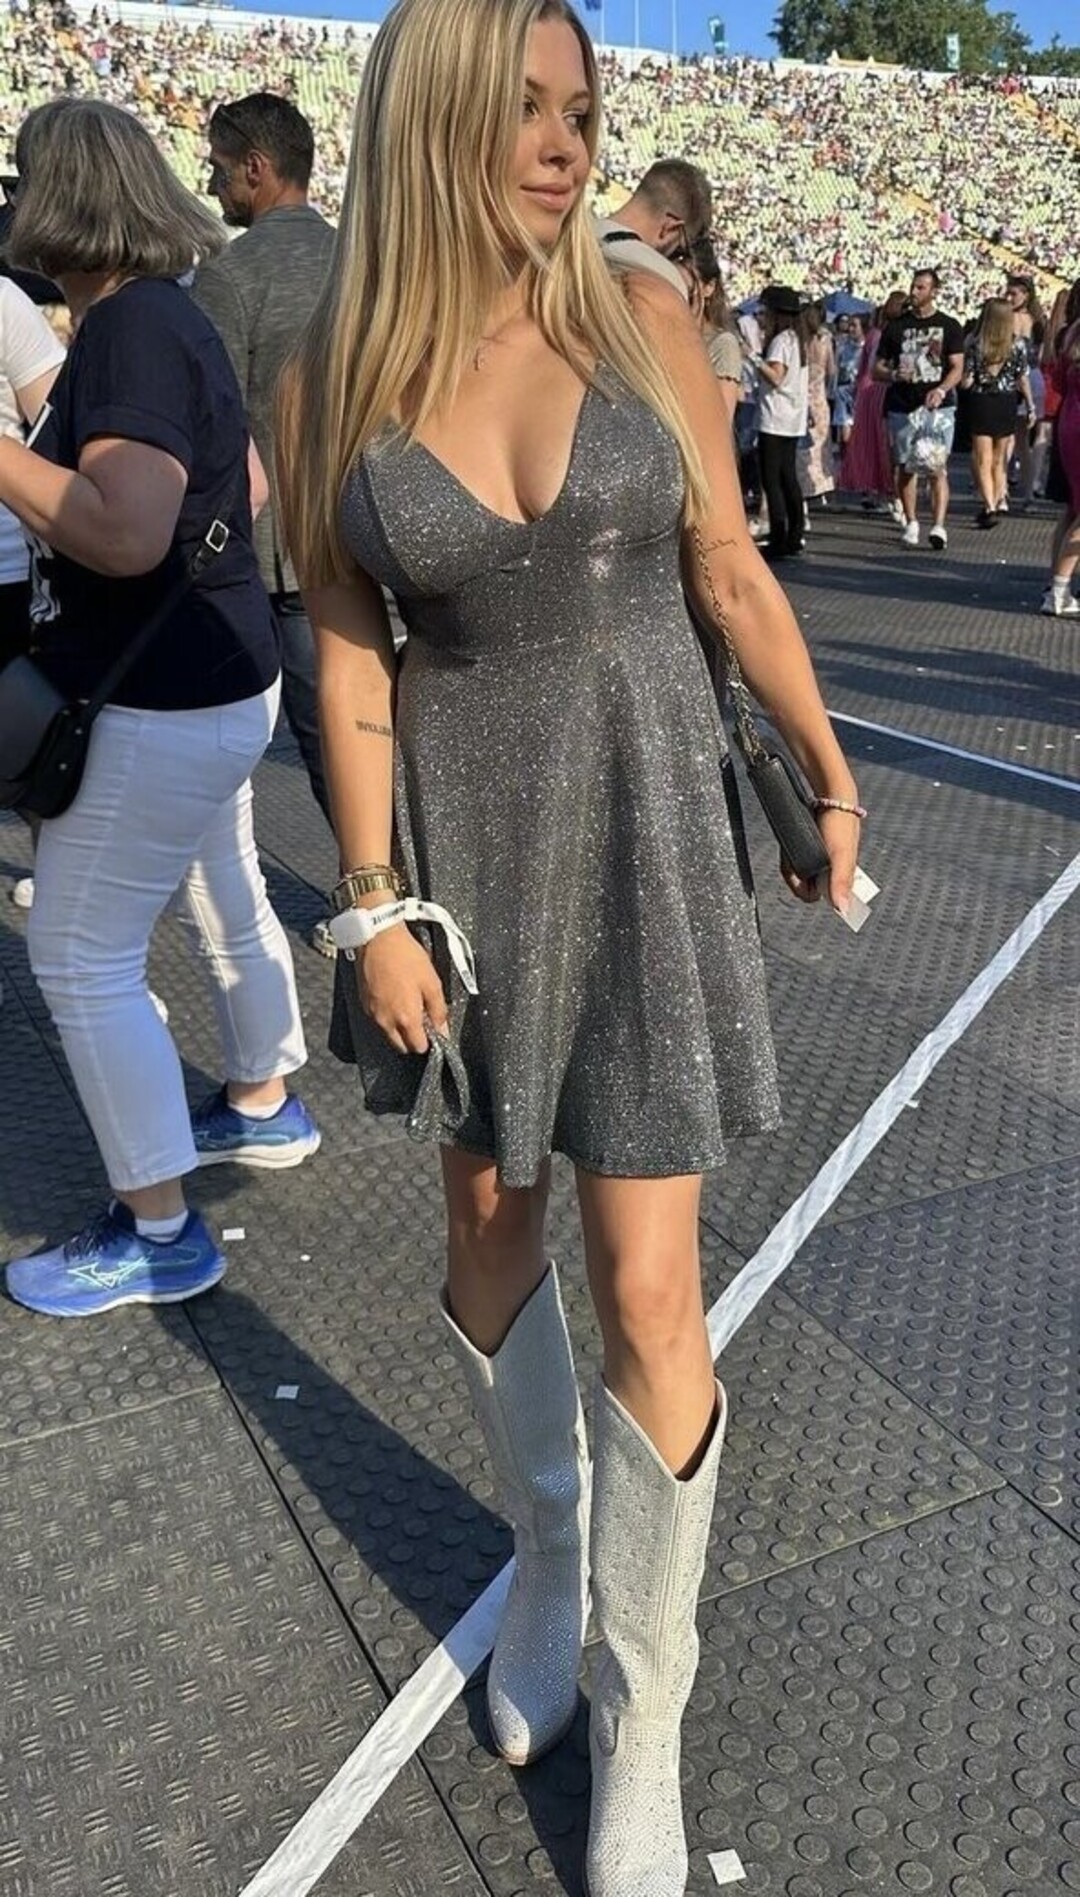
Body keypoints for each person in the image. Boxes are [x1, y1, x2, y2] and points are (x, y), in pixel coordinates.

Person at [276, 3, 861, 1892]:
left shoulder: (643, 319)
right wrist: (369, 895)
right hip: (464, 854)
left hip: (649, 828)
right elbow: (349, 646)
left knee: (652, 1283)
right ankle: (547, 1557)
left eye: (581, 110)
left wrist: (827, 771)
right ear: (434, 116)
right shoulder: (335, 375)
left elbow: (726, 569)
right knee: (485, 1232)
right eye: (522, 108)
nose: (563, 144)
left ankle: (642, 1704)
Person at [0, 97, 320, 1321]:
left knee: (81, 957)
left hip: (164, 692)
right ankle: (258, 1100)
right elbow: (242, 484)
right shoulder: (160, 314)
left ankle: (161, 1229)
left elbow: (129, 531)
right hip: (205, 677)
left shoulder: (132, 325)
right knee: (198, 892)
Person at [193, 91, 338, 952]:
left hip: (286, 554)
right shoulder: (367, 259)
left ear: (256, 168)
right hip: (380, 534)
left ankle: (378, 897)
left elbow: (215, 427)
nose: (213, 183)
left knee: (325, 739)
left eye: (219, 166)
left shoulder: (232, 275)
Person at [875, 267, 964, 550]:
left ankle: (938, 526)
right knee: (905, 466)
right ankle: (912, 520)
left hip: (938, 408)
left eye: (921, 287)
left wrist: (941, 389)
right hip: (903, 405)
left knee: (936, 467)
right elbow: (877, 368)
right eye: (913, 286)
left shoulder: (949, 325)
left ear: (934, 291)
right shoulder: (896, 327)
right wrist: (893, 375)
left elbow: (957, 367)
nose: (914, 292)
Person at [746, 283, 809, 560]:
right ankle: (794, 533)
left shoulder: (781, 341)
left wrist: (752, 357)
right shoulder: (798, 339)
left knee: (772, 479)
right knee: (788, 477)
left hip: (775, 415)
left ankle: (779, 534)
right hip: (793, 416)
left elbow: (776, 376)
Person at [595, 157, 711, 302]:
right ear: (670, 228)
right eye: (679, 249)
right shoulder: (663, 277)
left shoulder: (575, 232)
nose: (674, 257)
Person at [961, 297, 1032, 528]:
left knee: (983, 457)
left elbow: (967, 380)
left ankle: (989, 505)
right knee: (1000, 458)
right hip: (1006, 401)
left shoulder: (976, 344)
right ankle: (1000, 498)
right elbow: (1022, 378)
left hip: (982, 401)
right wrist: (1030, 405)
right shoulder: (1017, 345)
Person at [799, 299, 835, 505]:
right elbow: (832, 370)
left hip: (802, 395)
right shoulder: (825, 340)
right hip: (819, 396)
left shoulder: (800, 340)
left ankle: (803, 489)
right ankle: (820, 486)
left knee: (802, 448)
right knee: (820, 444)